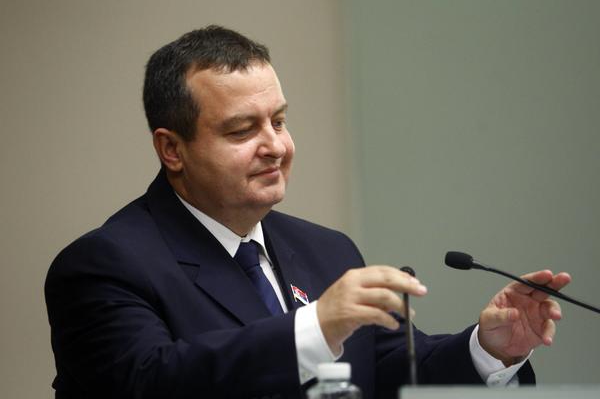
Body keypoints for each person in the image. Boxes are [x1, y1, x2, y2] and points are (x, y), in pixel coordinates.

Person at [45, 25, 570, 399]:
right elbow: (152, 382)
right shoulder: (104, 266)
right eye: (242, 130)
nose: (275, 146)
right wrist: (315, 326)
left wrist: (489, 349)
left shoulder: (327, 250)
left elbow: (389, 371)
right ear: (172, 149)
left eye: (278, 121)